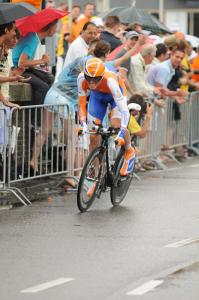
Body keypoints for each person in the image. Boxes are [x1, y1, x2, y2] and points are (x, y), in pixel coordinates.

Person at [78, 58, 135, 189]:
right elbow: (81, 103)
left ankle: (129, 150)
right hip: (97, 97)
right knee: (93, 134)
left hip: (115, 96)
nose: (91, 83)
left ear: (102, 76)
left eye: (95, 79)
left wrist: (122, 131)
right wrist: (83, 123)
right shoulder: (81, 79)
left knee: (116, 123)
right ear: (85, 74)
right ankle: (96, 172)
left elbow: (124, 111)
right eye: (89, 78)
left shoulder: (110, 80)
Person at [12, 19, 58, 105]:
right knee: (43, 87)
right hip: (18, 70)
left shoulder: (34, 37)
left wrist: (40, 64)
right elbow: (21, 63)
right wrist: (42, 60)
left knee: (49, 78)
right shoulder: (33, 39)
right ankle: (34, 117)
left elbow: (27, 61)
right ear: (51, 28)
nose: (56, 30)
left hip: (25, 69)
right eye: (56, 27)